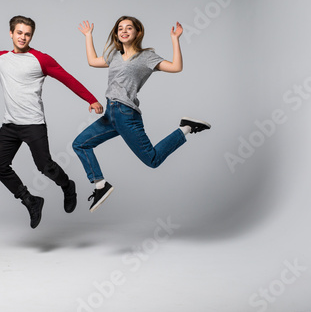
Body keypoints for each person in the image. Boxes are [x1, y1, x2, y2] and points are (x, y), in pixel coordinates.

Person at [0, 16, 103, 228]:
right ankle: (31, 201)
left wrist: (91, 99)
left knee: (45, 166)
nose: (23, 37)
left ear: (31, 36)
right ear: (11, 33)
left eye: (27, 34)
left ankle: (67, 186)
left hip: (33, 124)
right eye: (19, 33)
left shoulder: (41, 59)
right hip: (10, 125)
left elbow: (68, 78)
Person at [72, 16, 211, 212]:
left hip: (126, 114)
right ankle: (100, 185)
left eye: (129, 28)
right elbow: (93, 61)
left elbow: (176, 67)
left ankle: (186, 127)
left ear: (138, 33)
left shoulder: (146, 57)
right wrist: (88, 36)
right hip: (110, 114)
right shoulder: (114, 55)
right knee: (80, 143)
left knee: (152, 160)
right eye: (120, 28)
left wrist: (175, 40)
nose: (124, 31)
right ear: (116, 33)